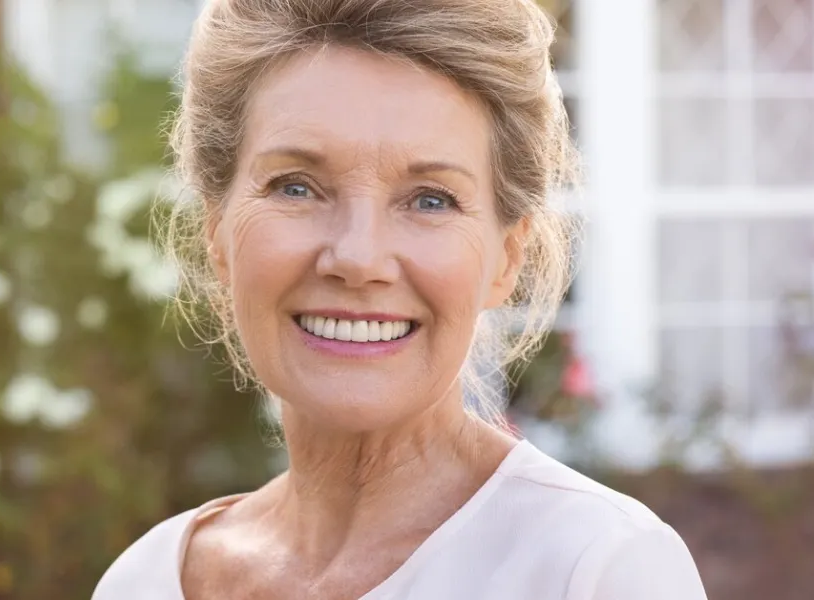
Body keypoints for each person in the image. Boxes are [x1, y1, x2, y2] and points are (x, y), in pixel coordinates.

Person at [94, 0, 709, 598]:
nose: (358, 258)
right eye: (297, 187)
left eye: (430, 199)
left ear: (507, 259)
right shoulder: (144, 582)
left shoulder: (596, 569)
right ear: (217, 235)